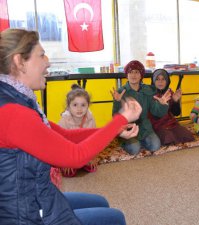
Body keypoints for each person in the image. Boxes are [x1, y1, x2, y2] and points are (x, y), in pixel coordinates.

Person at [0, 28, 142, 225]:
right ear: (19, 61)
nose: (48, 62)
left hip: (33, 194)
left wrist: (116, 128)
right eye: (41, 55)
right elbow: (75, 157)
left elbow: (66, 136)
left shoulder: (16, 99)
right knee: (115, 218)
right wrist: (121, 118)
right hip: (24, 215)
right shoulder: (12, 112)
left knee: (101, 202)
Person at [111, 60, 171, 155]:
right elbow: (115, 116)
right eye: (130, 72)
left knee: (155, 146)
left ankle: (139, 141)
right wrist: (117, 102)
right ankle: (125, 141)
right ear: (127, 75)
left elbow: (156, 112)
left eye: (136, 72)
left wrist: (162, 104)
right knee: (134, 149)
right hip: (128, 128)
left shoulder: (147, 90)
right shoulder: (121, 91)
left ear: (141, 75)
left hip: (145, 128)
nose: (133, 75)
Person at [58, 84, 98, 177]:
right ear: (68, 106)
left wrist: (92, 157)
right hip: (69, 153)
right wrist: (66, 162)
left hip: (84, 152)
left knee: (92, 168)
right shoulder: (64, 121)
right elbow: (61, 144)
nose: (79, 109)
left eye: (83, 105)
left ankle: (82, 163)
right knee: (69, 173)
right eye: (75, 105)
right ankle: (73, 164)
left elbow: (93, 140)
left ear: (88, 105)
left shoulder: (91, 119)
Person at [149, 69, 195, 145]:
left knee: (188, 137)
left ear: (167, 81)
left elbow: (176, 113)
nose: (160, 82)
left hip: (171, 124)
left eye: (163, 79)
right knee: (169, 139)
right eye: (157, 79)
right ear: (153, 81)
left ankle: (171, 134)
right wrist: (161, 104)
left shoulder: (169, 92)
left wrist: (175, 101)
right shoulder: (150, 94)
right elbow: (153, 116)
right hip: (157, 126)